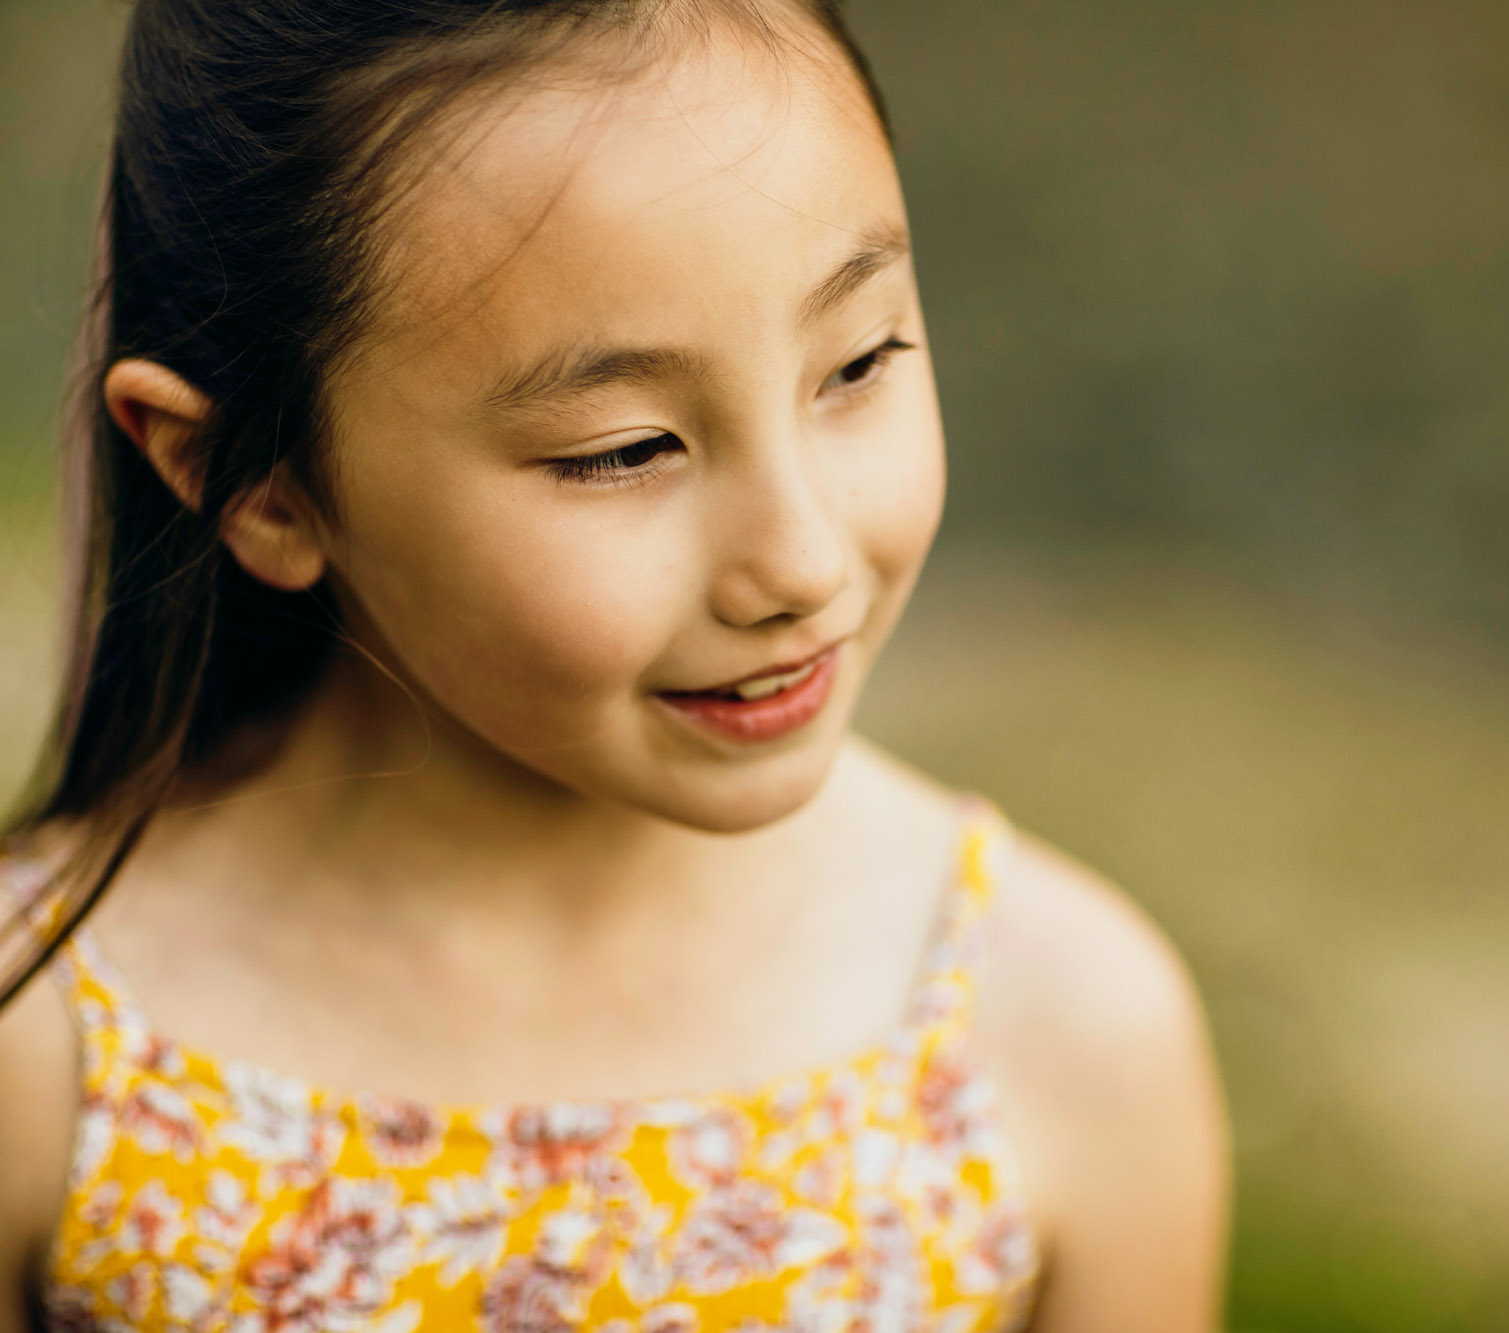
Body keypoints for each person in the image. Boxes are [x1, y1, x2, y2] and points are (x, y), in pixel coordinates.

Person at [0, 2, 1229, 1329]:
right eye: (624, 448)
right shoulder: (42, 1050)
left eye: (860, 359)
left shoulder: (1062, 1027)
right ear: (261, 483)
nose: (801, 561)